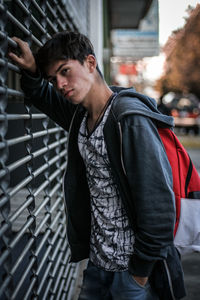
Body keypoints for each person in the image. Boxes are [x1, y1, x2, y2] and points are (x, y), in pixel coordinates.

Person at [8, 31, 186, 300]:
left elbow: (160, 208)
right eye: (53, 78)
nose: (61, 84)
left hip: (132, 274)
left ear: (91, 63)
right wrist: (34, 71)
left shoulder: (127, 119)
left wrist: (138, 275)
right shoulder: (81, 116)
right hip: (97, 267)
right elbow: (45, 97)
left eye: (65, 71)